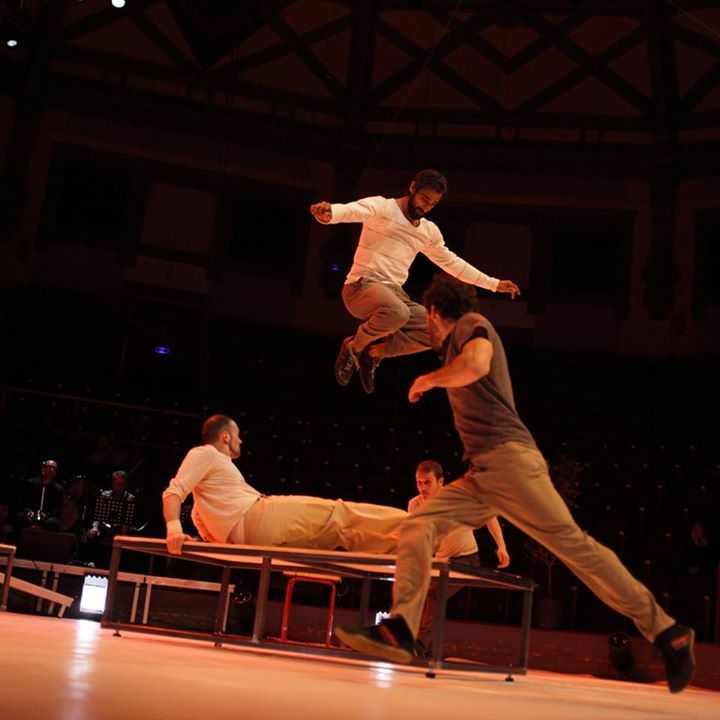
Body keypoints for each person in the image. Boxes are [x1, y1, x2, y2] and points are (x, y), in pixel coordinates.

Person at [335, 274, 695, 694]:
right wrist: (360, 349)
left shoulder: (472, 326)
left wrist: (429, 380)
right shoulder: (448, 342)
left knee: (578, 550)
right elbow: (405, 344)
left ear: (434, 312)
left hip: (511, 464)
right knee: (419, 524)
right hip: (483, 476)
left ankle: (668, 632)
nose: (424, 330)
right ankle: (400, 630)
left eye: (426, 319)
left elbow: (477, 365)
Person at [309, 169, 520, 393]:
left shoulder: (428, 231)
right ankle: (354, 346)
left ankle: (374, 354)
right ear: (412, 188)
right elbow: (354, 210)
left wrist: (494, 283)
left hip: (395, 295)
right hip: (361, 287)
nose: (426, 207)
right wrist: (330, 213)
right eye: (424, 199)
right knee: (398, 312)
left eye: (433, 204)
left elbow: (453, 263)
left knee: (437, 331)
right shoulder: (384, 207)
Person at [163, 415, 459, 559]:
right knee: (338, 513)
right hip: (262, 517)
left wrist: (191, 536)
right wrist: (174, 530)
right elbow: (173, 492)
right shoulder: (206, 453)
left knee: (340, 535)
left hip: (253, 536)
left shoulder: (207, 501)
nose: (241, 441)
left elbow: (206, 519)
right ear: (226, 437)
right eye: (237, 436)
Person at [411, 459, 509, 654]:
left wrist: (501, 546)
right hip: (441, 562)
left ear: (441, 482)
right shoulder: (415, 505)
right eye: (419, 482)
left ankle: (420, 645)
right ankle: (427, 649)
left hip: (467, 559)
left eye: (427, 482)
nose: (423, 487)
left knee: (434, 594)